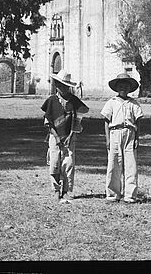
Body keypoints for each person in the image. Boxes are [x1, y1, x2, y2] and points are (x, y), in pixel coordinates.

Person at [41, 70, 89, 203]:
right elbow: (48, 122)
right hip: (54, 136)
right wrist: (56, 137)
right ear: (56, 85)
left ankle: (66, 190)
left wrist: (72, 134)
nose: (63, 88)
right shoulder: (51, 100)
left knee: (68, 163)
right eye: (60, 85)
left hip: (70, 137)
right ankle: (56, 189)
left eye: (65, 86)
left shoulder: (73, 101)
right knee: (54, 163)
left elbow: (79, 117)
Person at [100, 73, 144, 203]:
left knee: (131, 164)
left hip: (130, 133)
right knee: (114, 163)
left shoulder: (134, 103)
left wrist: (137, 138)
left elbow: (138, 122)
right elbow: (106, 121)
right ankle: (113, 193)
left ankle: (130, 195)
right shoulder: (112, 102)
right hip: (115, 133)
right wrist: (108, 139)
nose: (123, 88)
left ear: (130, 88)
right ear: (116, 88)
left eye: (126, 85)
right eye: (120, 85)